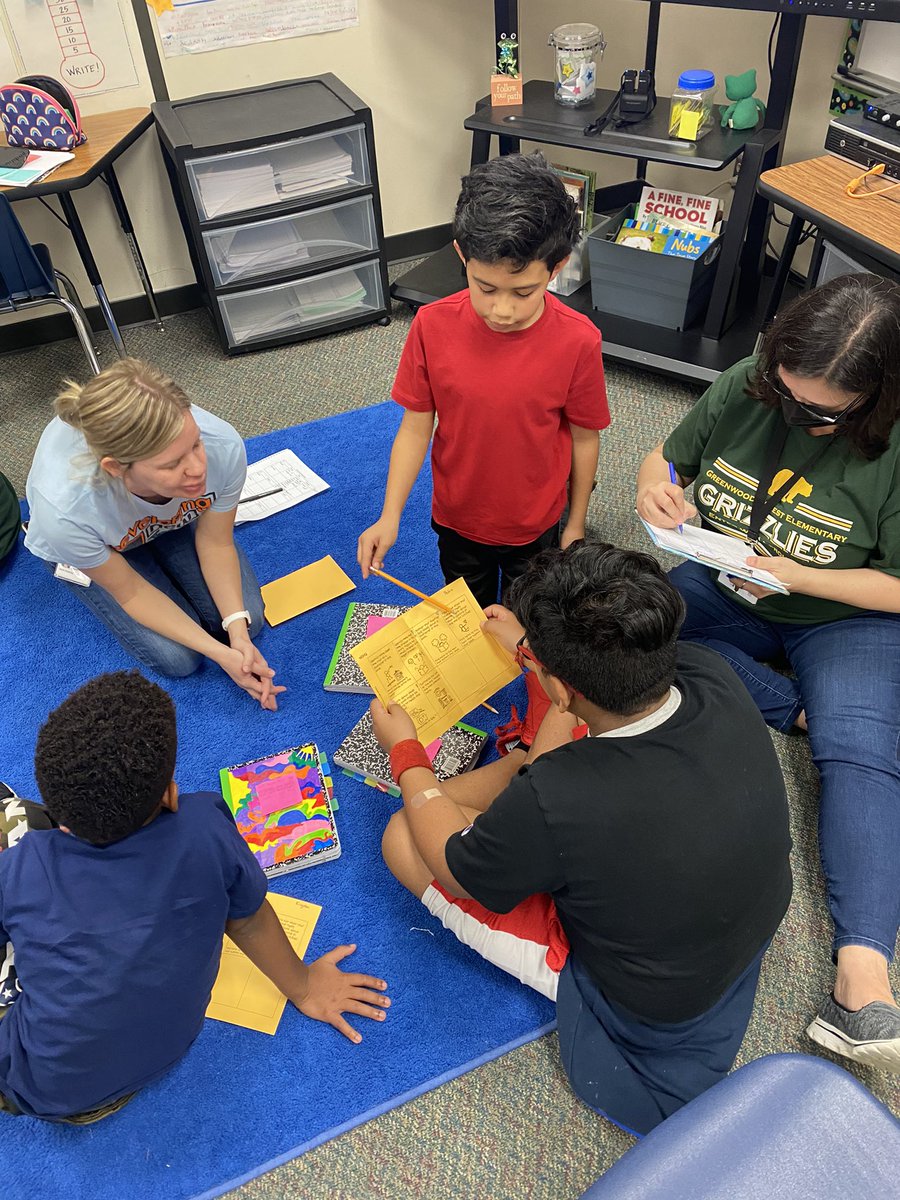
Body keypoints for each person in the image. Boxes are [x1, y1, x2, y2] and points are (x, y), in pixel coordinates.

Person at [372, 542, 791, 1135]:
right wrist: (532, 652)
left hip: (649, 995)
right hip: (743, 918)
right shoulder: (708, 670)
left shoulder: (561, 794)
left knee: (402, 835)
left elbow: (458, 869)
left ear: (563, 689)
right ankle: (519, 759)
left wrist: (407, 755)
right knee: (527, 770)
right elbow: (561, 736)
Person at [636, 272, 900, 1071]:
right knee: (620, 634)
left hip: (843, 610)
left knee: (860, 756)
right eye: (783, 394)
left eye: (819, 413)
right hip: (724, 582)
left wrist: (799, 576)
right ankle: (791, 706)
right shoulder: (746, 386)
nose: (791, 414)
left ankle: (864, 973)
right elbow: (663, 458)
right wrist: (656, 489)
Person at [0, 671, 390, 1123]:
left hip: (45, 1092)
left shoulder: (22, 867)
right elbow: (248, 918)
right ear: (169, 794)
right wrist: (303, 988)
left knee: (13, 813)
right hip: (172, 1044)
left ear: (63, 819)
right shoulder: (206, 827)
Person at [357, 152, 610, 610]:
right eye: (485, 287)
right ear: (462, 256)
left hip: (536, 524)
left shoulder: (578, 341)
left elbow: (584, 437)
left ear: (556, 267)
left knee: (527, 617)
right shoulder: (431, 327)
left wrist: (575, 526)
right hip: (456, 518)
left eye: (524, 291)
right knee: (468, 616)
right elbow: (415, 428)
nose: (503, 310)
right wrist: (389, 515)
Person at [24, 358, 283, 710]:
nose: (197, 468)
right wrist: (221, 654)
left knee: (248, 620)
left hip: (164, 513)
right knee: (180, 659)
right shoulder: (66, 513)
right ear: (116, 468)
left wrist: (236, 630)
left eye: (195, 445)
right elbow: (129, 592)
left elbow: (216, 541)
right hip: (102, 543)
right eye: (172, 464)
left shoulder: (221, 446)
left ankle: (161, 510)